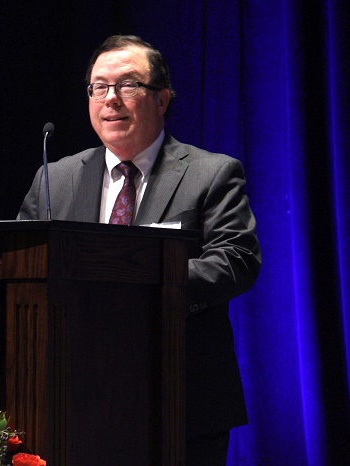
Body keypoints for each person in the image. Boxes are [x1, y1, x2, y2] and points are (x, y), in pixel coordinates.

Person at [17, 35, 261, 465]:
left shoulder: (211, 173)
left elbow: (236, 259)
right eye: (99, 87)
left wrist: (141, 284)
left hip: (181, 396)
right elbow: (22, 266)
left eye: (128, 85)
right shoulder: (55, 177)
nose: (111, 99)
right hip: (72, 396)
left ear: (162, 99)